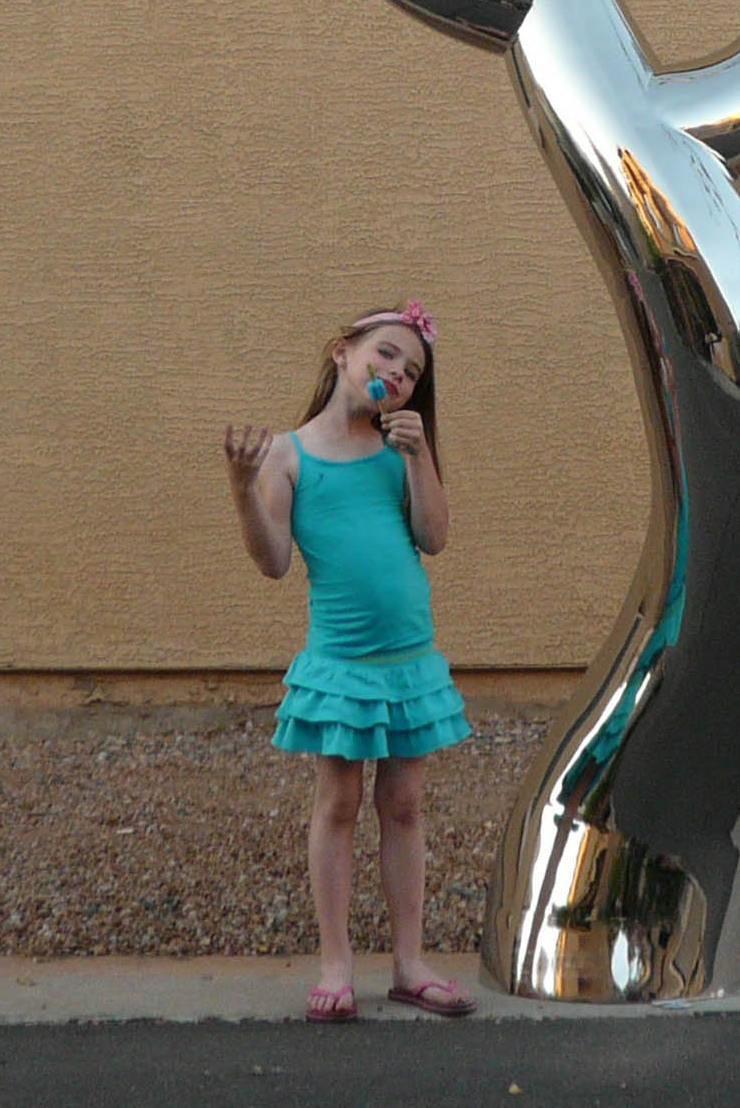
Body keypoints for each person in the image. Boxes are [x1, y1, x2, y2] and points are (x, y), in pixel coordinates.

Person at [222, 298, 474, 1020]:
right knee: (338, 804)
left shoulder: (401, 453)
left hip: (409, 662)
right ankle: (335, 967)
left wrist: (420, 454)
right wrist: (243, 492)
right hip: (340, 664)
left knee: (404, 804)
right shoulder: (289, 454)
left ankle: (409, 963)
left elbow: (434, 536)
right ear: (342, 352)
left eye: (412, 371)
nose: (396, 374)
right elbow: (272, 561)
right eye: (386, 354)